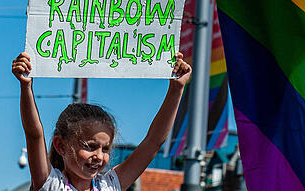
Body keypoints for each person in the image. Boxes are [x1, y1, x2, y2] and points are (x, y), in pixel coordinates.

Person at [11, 52, 192, 191]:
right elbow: (34, 135)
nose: (99, 156)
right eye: (90, 146)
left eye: (105, 149)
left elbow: (153, 142)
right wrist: (26, 86)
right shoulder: (51, 184)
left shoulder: (109, 185)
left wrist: (176, 88)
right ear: (61, 146)